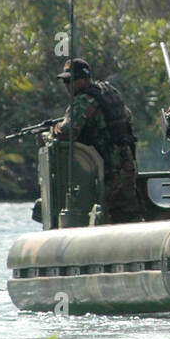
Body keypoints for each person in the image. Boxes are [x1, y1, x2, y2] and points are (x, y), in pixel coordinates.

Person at [45, 58, 143, 223]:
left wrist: (49, 134)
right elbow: (128, 119)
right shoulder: (108, 94)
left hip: (105, 171)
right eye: (64, 81)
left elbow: (67, 132)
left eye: (70, 80)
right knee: (128, 217)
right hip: (126, 166)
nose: (66, 85)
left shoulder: (82, 101)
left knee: (102, 217)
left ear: (84, 79)